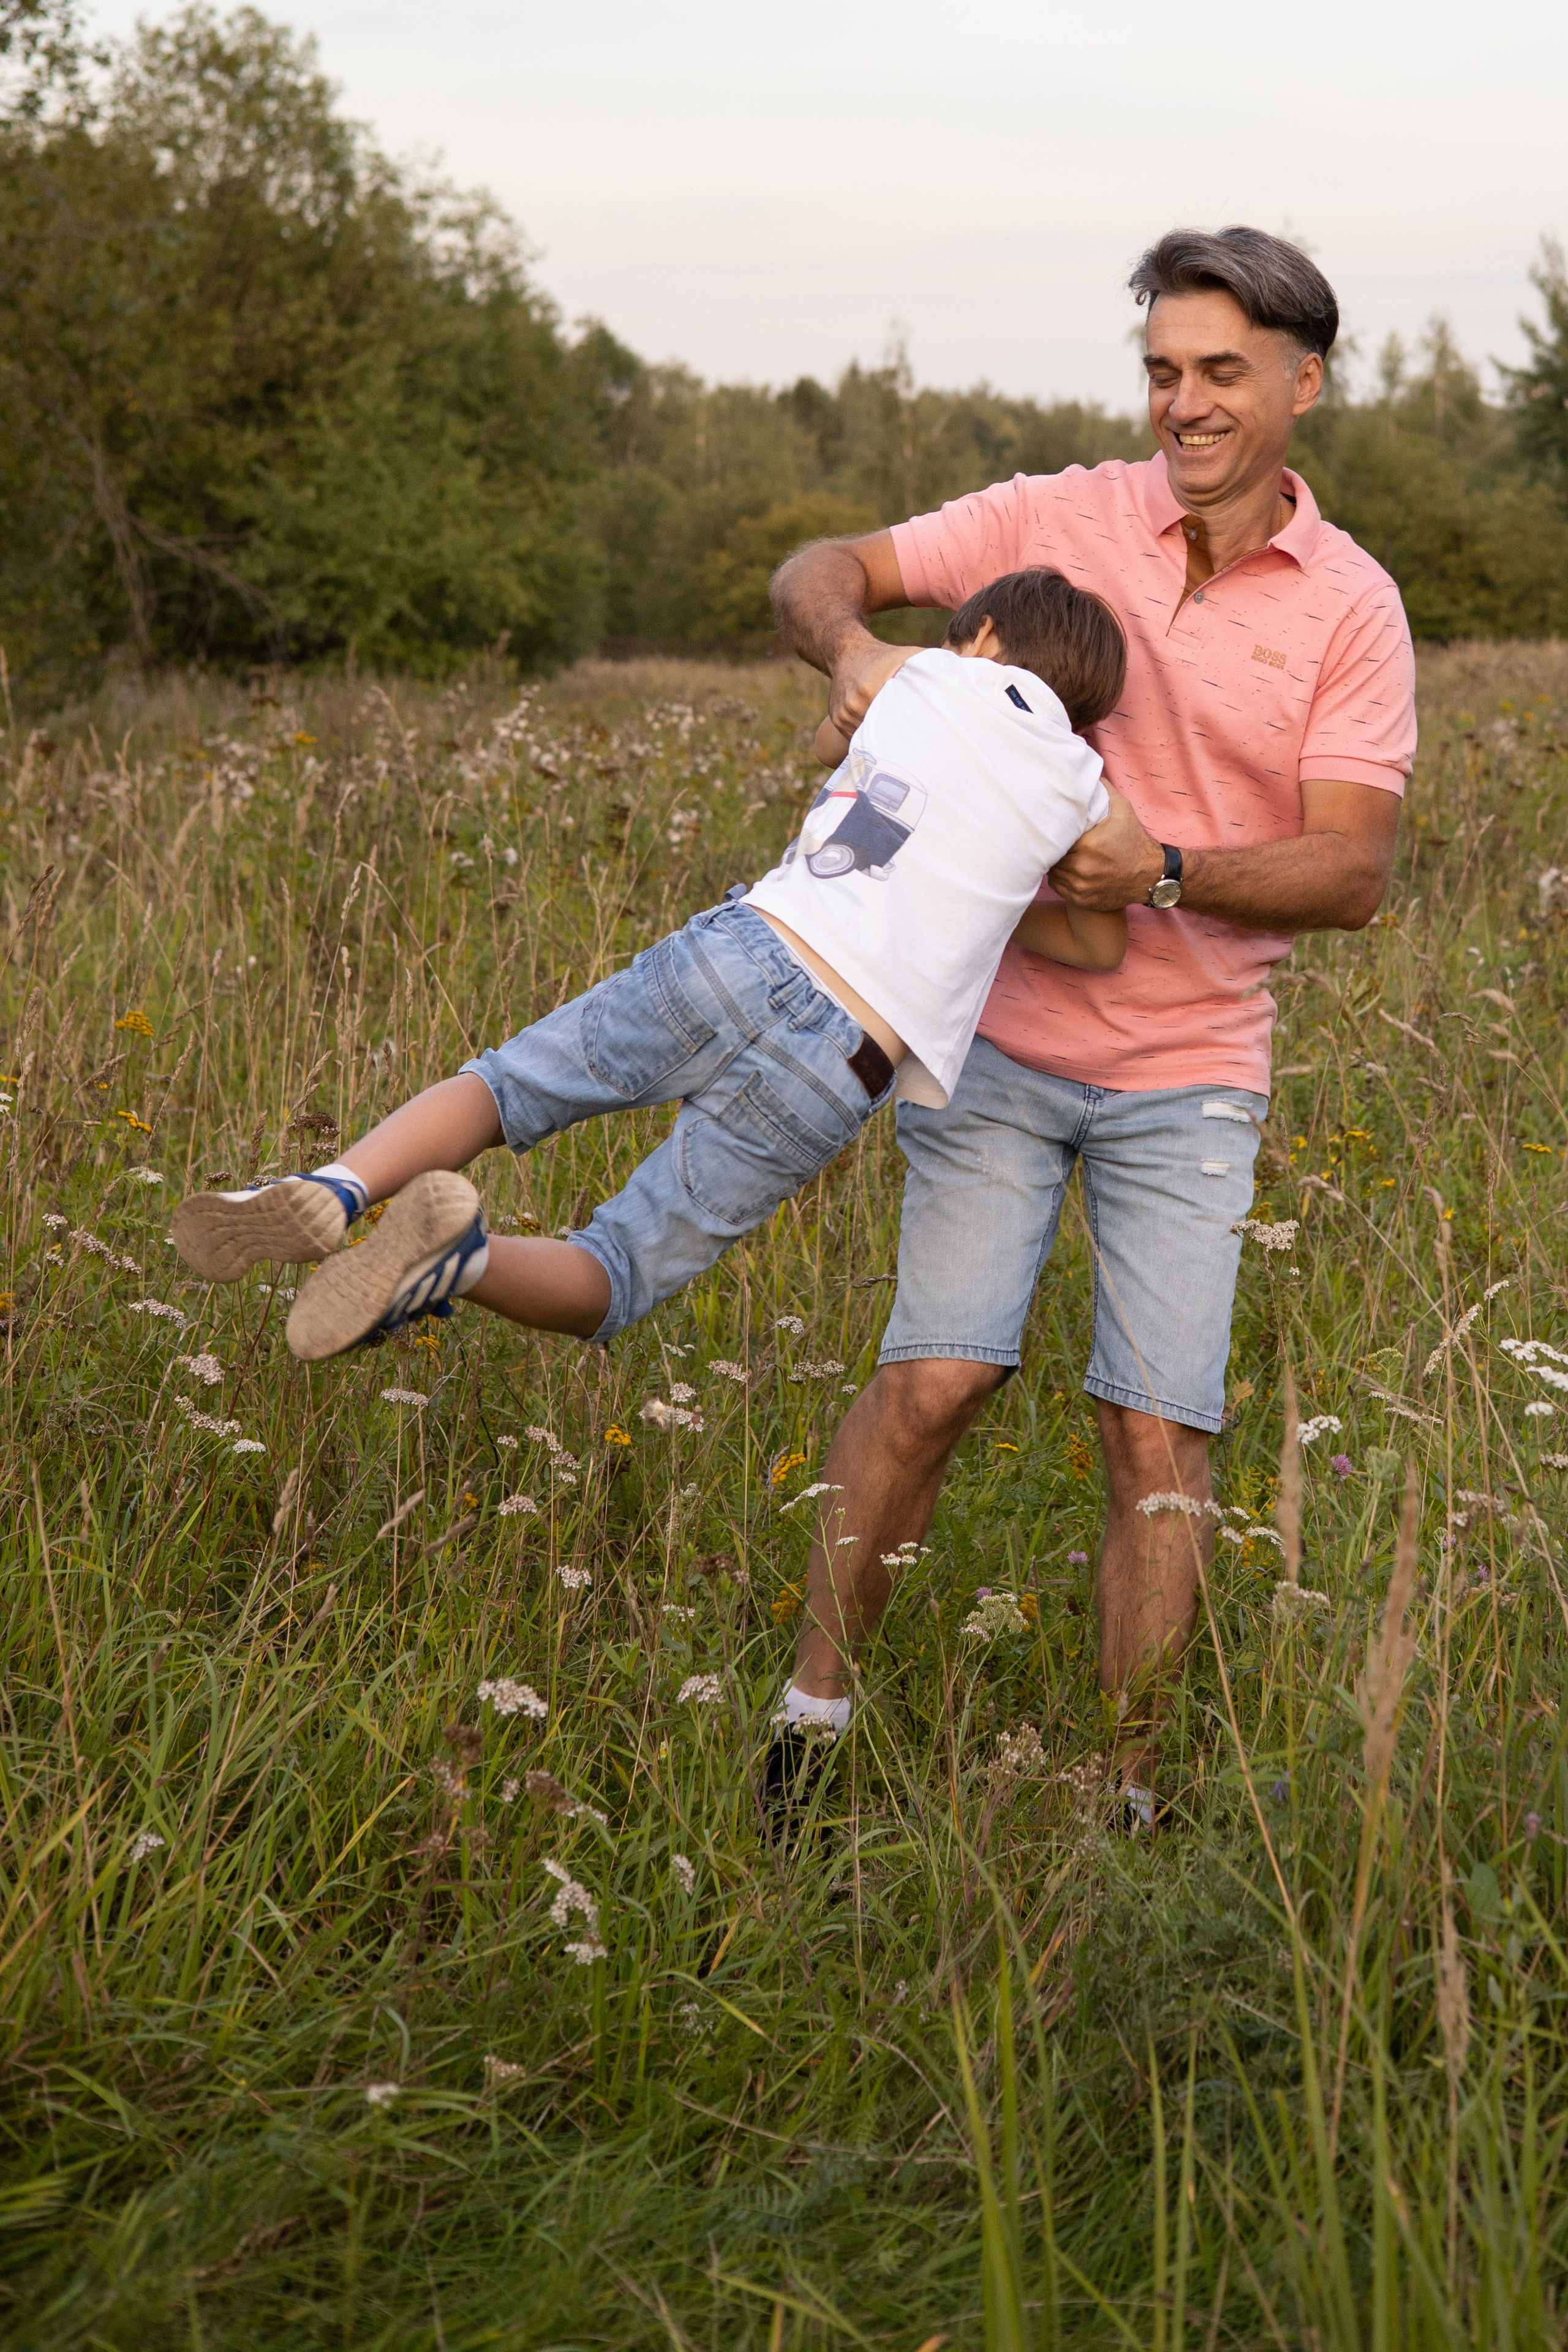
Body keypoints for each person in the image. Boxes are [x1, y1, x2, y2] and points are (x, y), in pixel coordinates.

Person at [768, 225, 1417, 1832]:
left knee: (1157, 1431)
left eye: (1219, 373)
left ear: (1303, 384)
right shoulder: (1056, 515)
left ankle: (1125, 1805)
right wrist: (853, 647)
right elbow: (823, 566)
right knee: (934, 1386)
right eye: (1162, 371)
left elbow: (1352, 871)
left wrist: (1174, 866)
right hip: (994, 1046)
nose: (1183, 405)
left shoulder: (1353, 607)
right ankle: (803, 1733)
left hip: (1192, 1076)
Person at [170, 569, 1128, 1382]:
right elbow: (1100, 946)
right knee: (618, 1270)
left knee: (506, 1088)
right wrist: (988, 894)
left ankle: (333, 1188)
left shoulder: (925, 675)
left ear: (984, 634)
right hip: (847, 1067)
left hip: (750, 952)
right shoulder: (1082, 785)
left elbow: (832, 743)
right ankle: (456, 1262)